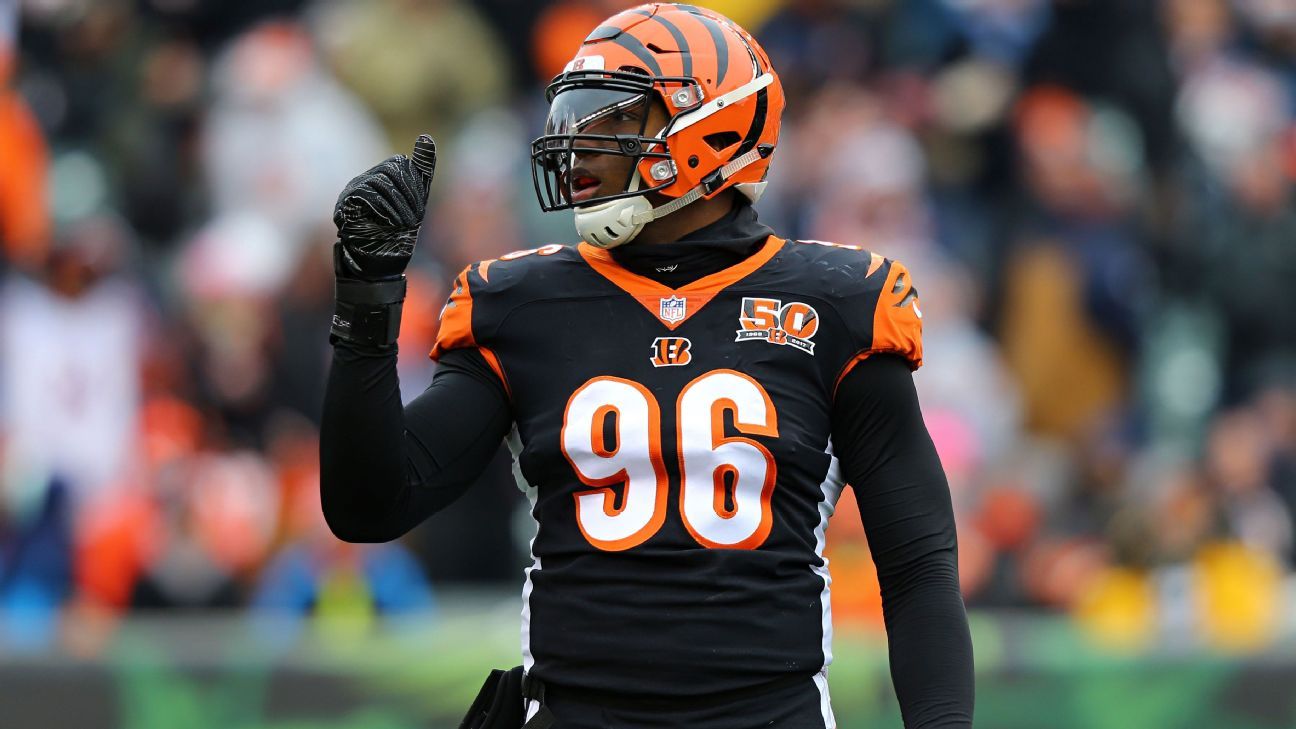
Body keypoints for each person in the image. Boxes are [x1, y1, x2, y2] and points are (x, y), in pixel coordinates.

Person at [320, 4, 974, 727]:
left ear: (710, 129)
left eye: (612, 119)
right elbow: (369, 505)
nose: (578, 144)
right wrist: (368, 304)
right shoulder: (521, 303)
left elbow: (917, 567)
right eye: (575, 116)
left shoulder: (837, 305)